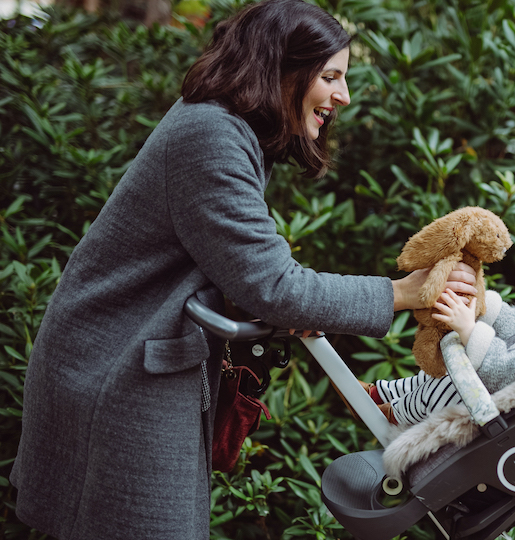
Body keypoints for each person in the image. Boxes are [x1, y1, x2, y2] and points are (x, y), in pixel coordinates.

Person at [9, 1, 476, 539]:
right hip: (116, 366)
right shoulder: (210, 136)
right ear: (281, 69)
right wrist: (405, 292)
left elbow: (240, 270)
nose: (343, 96)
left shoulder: (225, 129)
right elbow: (274, 285)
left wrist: (262, 300)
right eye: (331, 77)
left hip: (128, 355)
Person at [363, 288, 515, 426]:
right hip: (482, 392)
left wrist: (469, 330)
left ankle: (393, 415)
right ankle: (380, 393)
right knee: (438, 373)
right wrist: (481, 306)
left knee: (447, 386)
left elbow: (513, 376)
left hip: (489, 408)